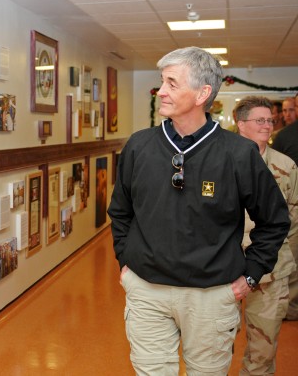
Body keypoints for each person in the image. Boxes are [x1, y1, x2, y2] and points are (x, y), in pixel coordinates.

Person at [107, 46, 289, 375]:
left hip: (211, 297)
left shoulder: (239, 154)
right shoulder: (139, 146)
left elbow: (274, 221)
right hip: (147, 291)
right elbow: (121, 212)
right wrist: (126, 263)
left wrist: (249, 276)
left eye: (172, 83)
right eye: (162, 82)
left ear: (203, 93)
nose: (161, 91)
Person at [234, 96, 298, 375]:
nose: (267, 125)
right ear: (241, 124)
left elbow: (293, 221)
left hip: (272, 269)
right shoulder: (222, 162)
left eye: (270, 120)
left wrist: (281, 258)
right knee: (215, 344)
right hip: (226, 266)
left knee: (263, 349)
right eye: (260, 120)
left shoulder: (286, 166)